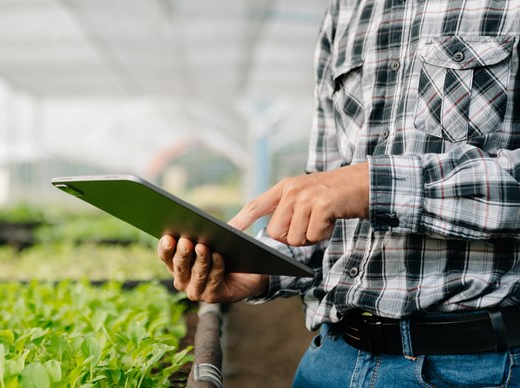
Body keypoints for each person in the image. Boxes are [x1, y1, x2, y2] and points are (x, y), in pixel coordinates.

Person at [158, 0, 520, 386]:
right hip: (333, 359)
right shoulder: (347, 10)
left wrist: (372, 185)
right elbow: (327, 207)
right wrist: (261, 271)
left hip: (475, 367)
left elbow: (352, 187)